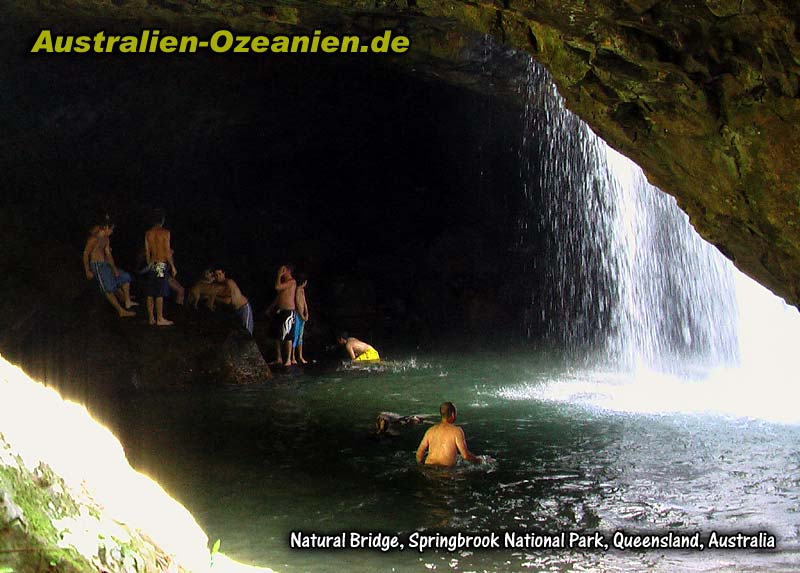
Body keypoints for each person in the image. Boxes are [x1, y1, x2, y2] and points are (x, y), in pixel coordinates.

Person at [82, 220, 137, 318]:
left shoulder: (106, 239)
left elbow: (108, 254)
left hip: (105, 264)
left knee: (125, 276)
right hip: (97, 265)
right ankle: (121, 310)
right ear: (106, 227)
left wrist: (114, 268)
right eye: (111, 229)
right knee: (107, 288)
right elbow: (86, 254)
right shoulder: (93, 239)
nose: (112, 232)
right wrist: (87, 270)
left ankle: (127, 301)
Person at [415, 402, 482, 467]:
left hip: (429, 468)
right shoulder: (456, 431)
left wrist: (421, 466)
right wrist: (479, 461)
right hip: (446, 472)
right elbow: (465, 456)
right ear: (453, 414)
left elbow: (419, 453)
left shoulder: (430, 430)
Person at [144, 209, 176, 326]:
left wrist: (149, 264)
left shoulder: (148, 233)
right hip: (160, 265)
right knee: (159, 292)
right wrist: (172, 266)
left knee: (150, 292)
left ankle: (151, 318)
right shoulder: (165, 232)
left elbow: (147, 251)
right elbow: (167, 251)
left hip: (152, 264)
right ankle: (160, 318)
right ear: (162, 220)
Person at [214, 268, 253, 335]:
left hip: (243, 308)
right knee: (236, 333)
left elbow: (228, 301)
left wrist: (215, 298)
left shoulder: (229, 282)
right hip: (235, 310)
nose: (218, 277)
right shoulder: (218, 285)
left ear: (224, 274)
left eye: (220, 274)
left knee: (246, 333)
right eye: (216, 275)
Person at [273, 265, 296, 367]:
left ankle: (288, 359)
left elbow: (277, 287)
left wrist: (278, 275)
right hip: (280, 310)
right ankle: (279, 358)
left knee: (288, 336)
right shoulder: (284, 283)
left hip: (288, 312)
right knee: (276, 335)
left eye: (283, 270)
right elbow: (278, 293)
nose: (281, 272)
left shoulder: (292, 281)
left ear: (288, 271)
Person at [291, 273, 310, 365]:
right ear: (304, 282)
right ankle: (293, 357)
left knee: (300, 337)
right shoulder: (297, 290)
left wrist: (307, 312)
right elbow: (298, 304)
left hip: (302, 315)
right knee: (295, 335)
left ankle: (300, 356)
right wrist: (302, 315)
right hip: (298, 315)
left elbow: (304, 302)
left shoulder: (302, 290)